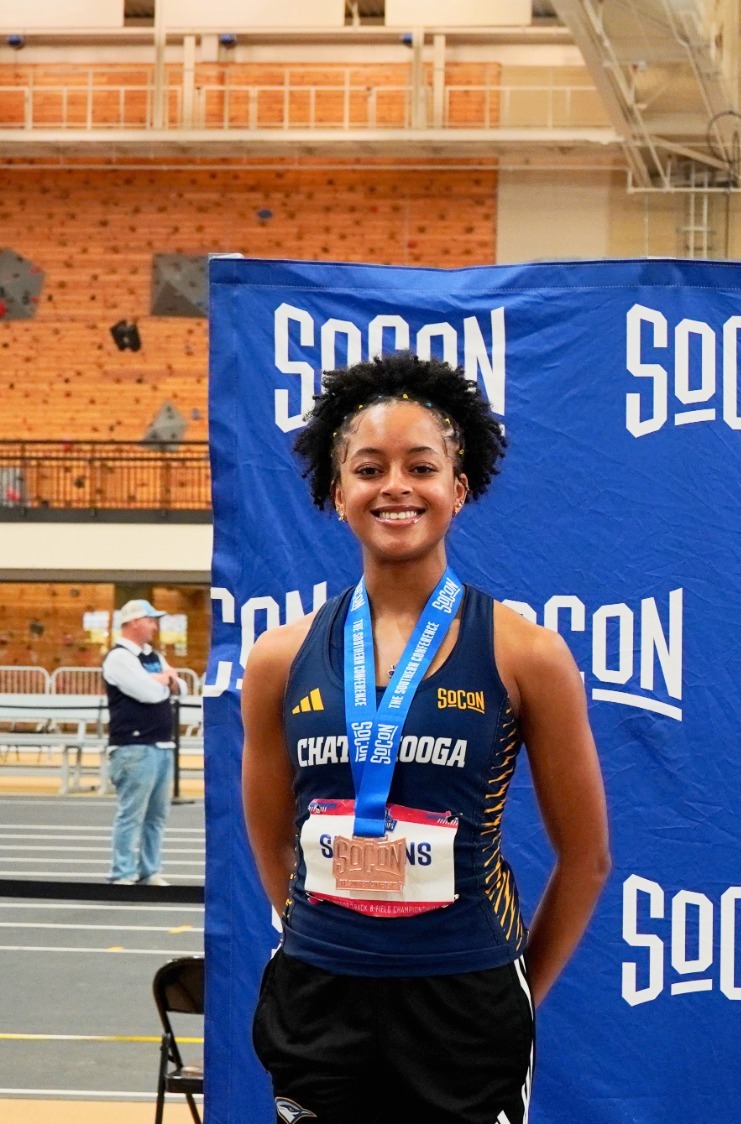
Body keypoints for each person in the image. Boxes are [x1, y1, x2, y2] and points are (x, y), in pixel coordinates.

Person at [238, 355, 611, 1124]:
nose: (396, 486)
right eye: (369, 468)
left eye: (422, 466)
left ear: (459, 488)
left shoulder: (525, 653)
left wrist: (510, 986)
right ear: (337, 493)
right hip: (319, 1000)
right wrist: (325, 936)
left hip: (466, 999)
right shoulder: (278, 658)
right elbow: (274, 842)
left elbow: (587, 858)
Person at [103, 598, 180, 886]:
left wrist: (162, 680)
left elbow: (180, 686)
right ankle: (122, 872)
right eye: (151, 619)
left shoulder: (151, 656)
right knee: (131, 814)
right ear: (134, 621)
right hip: (133, 747)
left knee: (156, 816)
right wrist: (164, 681)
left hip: (160, 745)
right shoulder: (119, 657)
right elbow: (149, 693)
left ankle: (150, 870)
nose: (155, 625)